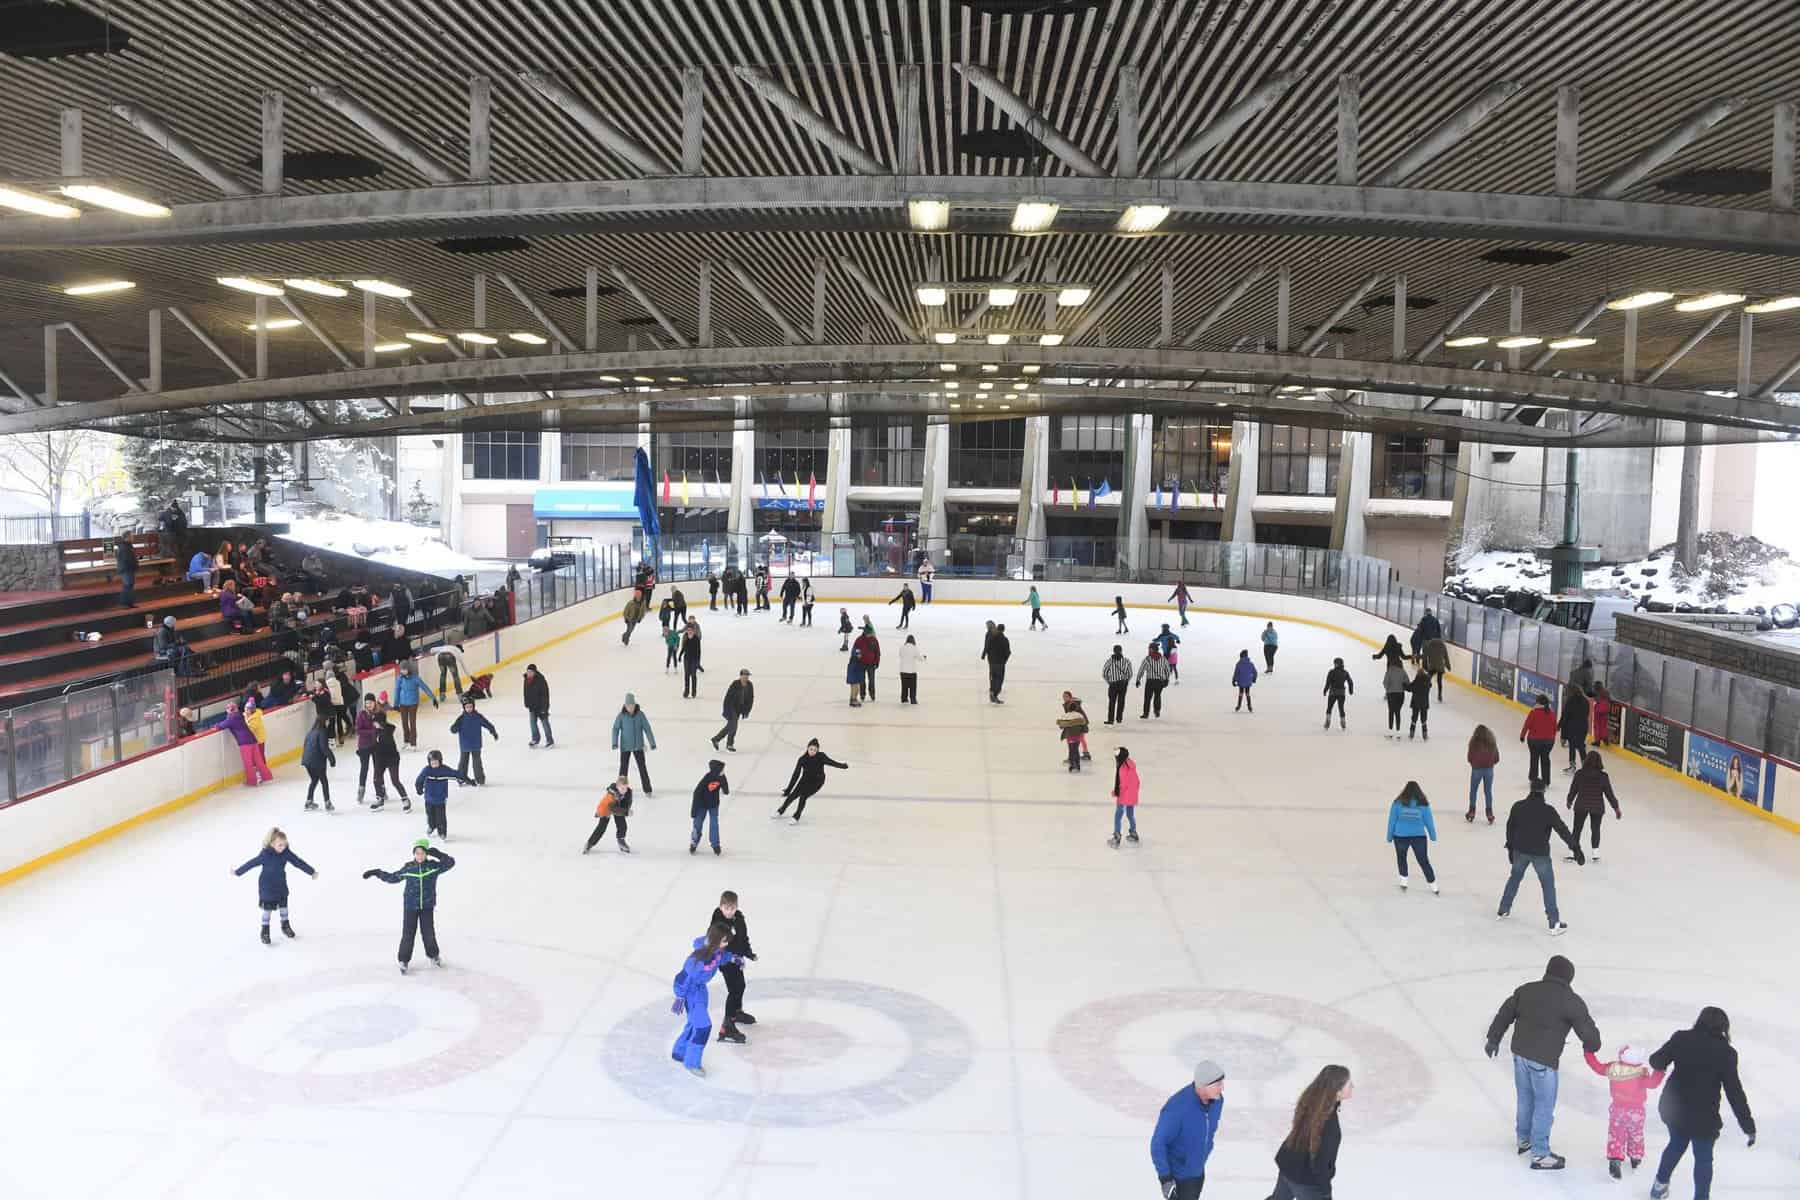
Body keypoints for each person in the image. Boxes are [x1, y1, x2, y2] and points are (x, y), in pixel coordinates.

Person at [1485, 954, 1602, 1170]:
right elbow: (1588, 1031)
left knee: (1525, 1098)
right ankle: (1539, 1153)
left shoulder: (1526, 990)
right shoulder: (1571, 1001)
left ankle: (1523, 1140)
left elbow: (1505, 1013)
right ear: (1569, 978)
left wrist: (1493, 1039)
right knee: (1543, 1107)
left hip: (1519, 1054)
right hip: (1543, 1061)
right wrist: (1592, 1045)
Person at [1647, 1007, 1757, 1200]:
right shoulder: (1727, 1053)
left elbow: (1656, 1061)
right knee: (1704, 1158)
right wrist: (1748, 1125)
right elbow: (1734, 1092)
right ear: (1723, 1027)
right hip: (1703, 1116)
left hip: (1674, 1109)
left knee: (1676, 1144)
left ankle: (1659, 1187)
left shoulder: (1681, 1038)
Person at [362, 838, 455, 973]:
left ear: (426, 854)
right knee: (408, 934)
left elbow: (450, 863)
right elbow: (393, 878)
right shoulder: (409, 867)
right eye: (417, 853)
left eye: (422, 853)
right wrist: (377, 873)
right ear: (414, 854)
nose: (419, 856)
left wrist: (438, 854)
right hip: (410, 907)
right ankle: (403, 960)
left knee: (428, 933)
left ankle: (434, 956)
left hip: (426, 907)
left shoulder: (433, 867)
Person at [1499, 788, 1585, 934]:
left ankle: (1503, 909)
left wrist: (1510, 847)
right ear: (1543, 792)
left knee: (1514, 878)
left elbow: (1510, 828)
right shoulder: (1548, 811)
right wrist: (1575, 848)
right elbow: (1562, 830)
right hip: (1540, 854)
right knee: (1548, 885)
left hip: (1520, 851)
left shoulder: (1518, 806)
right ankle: (1554, 922)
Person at [1267, 1065, 1351, 1200]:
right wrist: (1324, 1190)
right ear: (1337, 1091)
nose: (1352, 1086)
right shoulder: (1330, 1125)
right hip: (1305, 1180)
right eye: (1349, 1084)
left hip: (1288, 1165)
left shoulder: (1312, 1103)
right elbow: (1321, 1162)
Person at [1584, 1044, 1666, 1181]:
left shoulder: (1613, 1069)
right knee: (1636, 1134)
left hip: (1617, 1110)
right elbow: (1653, 1084)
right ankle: (1635, 1157)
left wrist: (1588, 1054)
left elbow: (1596, 1067)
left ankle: (1615, 1159)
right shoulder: (1640, 1073)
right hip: (1636, 1112)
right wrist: (1660, 1071)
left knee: (1616, 1135)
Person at [670, 919, 740, 1077]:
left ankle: (679, 1051)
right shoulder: (697, 959)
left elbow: (720, 957)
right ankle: (692, 1062)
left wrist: (732, 958)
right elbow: (683, 978)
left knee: (693, 1023)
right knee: (703, 1027)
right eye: (724, 941)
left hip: (700, 991)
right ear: (715, 940)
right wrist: (680, 996)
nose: (726, 944)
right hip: (690, 994)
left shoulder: (716, 950)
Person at [1151, 1059, 1226, 1200]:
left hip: (1197, 1170)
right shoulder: (1176, 1109)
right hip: (1178, 1177)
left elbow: (1210, 1130)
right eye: (1218, 1084)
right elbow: (1158, 1144)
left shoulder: (1217, 1101)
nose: (1222, 1088)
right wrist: (1165, 1179)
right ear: (1203, 1085)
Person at [232, 827, 317, 944]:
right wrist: (238, 872)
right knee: (267, 910)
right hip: (267, 886)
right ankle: (265, 931)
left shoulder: (286, 852)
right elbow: (251, 863)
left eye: (284, 844)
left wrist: (311, 871)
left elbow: (298, 862)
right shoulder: (265, 854)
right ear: (272, 844)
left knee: (284, 907)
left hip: (281, 884)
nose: (283, 847)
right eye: (280, 845)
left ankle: (285, 926)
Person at [712, 891, 757, 1042]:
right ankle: (727, 1027)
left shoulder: (738, 918)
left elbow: (743, 938)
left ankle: (736, 1012)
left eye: (732, 908)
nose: (729, 911)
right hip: (726, 961)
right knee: (735, 989)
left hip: (738, 959)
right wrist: (731, 958)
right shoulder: (718, 922)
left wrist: (748, 953)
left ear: (736, 907)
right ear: (721, 906)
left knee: (741, 985)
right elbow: (714, 943)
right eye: (726, 908)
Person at [1565, 750, 1621, 862]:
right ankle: (1595, 854)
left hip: (1581, 805)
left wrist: (1569, 801)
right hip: (1597, 806)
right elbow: (1609, 794)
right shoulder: (1603, 776)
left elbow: (1573, 789)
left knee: (1577, 829)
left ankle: (1572, 852)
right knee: (1595, 829)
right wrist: (1616, 808)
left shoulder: (1579, 774)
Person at [774, 738, 848, 822]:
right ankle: (781, 810)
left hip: (817, 782)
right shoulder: (802, 759)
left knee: (803, 796)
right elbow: (795, 775)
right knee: (792, 796)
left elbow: (832, 763)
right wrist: (788, 789)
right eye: (811, 749)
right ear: (807, 748)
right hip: (805, 779)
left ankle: (796, 816)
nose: (812, 751)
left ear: (817, 750)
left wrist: (842, 766)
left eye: (815, 750)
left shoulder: (821, 756)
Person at [1386, 780, 1439, 893]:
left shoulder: (1397, 803)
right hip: (1418, 836)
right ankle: (1434, 886)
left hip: (1400, 836)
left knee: (1401, 858)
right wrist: (1433, 835)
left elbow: (1392, 821)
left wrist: (1389, 836)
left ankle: (1404, 882)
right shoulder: (1423, 804)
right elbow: (1429, 821)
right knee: (1424, 861)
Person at [415, 749, 471, 840]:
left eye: (436, 762)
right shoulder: (427, 770)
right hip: (429, 798)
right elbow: (419, 780)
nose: (434, 764)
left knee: (441, 817)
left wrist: (468, 779)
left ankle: (442, 832)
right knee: (430, 815)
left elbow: (456, 774)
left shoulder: (444, 770)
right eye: (432, 762)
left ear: (440, 761)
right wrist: (419, 789)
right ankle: (431, 826)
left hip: (440, 799)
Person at [611, 692, 656, 793]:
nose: (630, 708)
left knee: (642, 768)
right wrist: (614, 742)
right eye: (628, 706)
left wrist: (652, 743)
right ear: (625, 706)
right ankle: (620, 790)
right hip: (625, 747)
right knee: (623, 771)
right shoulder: (621, 716)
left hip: (638, 746)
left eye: (631, 705)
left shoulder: (640, 715)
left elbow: (647, 728)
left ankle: (647, 789)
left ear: (634, 705)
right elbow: (615, 729)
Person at [368, 712, 410, 813]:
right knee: (376, 779)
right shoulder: (377, 731)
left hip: (392, 759)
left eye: (376, 722)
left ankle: (405, 799)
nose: (374, 724)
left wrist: (366, 750)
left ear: (381, 722)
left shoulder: (386, 733)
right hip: (380, 759)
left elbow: (380, 747)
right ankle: (380, 800)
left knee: (395, 780)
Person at [450, 698, 498, 786]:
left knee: (477, 763)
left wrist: (493, 732)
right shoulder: (461, 718)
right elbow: (453, 728)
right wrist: (454, 729)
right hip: (465, 745)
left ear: (473, 706)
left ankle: (480, 779)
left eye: (470, 707)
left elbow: (487, 724)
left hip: (476, 744)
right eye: (467, 707)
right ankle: (461, 778)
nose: (469, 709)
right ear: (464, 708)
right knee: (463, 762)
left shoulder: (478, 716)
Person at [393, 660, 437, 748]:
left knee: (412, 723)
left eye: (404, 669)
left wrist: (433, 698)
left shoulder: (415, 678)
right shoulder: (400, 679)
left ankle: (413, 743)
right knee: (404, 723)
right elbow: (397, 691)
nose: (403, 671)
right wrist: (396, 704)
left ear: (408, 669)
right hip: (402, 704)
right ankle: (406, 741)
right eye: (401, 669)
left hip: (413, 703)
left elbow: (425, 687)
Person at [584, 775, 633, 854]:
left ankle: (621, 840)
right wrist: (626, 812)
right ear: (617, 786)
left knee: (622, 825)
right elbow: (613, 809)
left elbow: (627, 803)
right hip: (606, 810)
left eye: (626, 788)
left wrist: (626, 809)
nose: (624, 790)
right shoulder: (611, 796)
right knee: (601, 827)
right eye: (622, 788)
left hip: (618, 808)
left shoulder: (628, 792)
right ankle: (590, 843)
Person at [690, 759, 729, 855]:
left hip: (713, 804)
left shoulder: (722, 777)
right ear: (716, 770)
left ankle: (715, 844)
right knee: (697, 823)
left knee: (714, 823)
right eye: (722, 770)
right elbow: (696, 793)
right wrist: (694, 811)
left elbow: (726, 789)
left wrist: (725, 789)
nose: (723, 772)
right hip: (701, 804)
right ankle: (694, 842)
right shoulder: (706, 779)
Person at [1520, 694, 1558, 787]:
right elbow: (1555, 728)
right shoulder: (1552, 713)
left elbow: (1527, 725)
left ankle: (1533, 778)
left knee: (1534, 758)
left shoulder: (1534, 712)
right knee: (1545, 759)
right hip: (1548, 741)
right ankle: (1546, 780)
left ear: (1537, 702)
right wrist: (1552, 738)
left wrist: (1522, 736)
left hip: (1534, 740)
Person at [301, 715, 337, 813]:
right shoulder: (322, 732)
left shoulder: (310, 732)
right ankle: (327, 803)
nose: (328, 723)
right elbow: (324, 748)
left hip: (307, 761)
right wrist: (332, 759)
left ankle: (309, 801)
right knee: (324, 781)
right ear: (324, 722)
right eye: (327, 721)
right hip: (316, 760)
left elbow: (305, 746)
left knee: (314, 780)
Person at [712, 669, 754, 752]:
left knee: (730, 726)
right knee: (733, 726)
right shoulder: (735, 684)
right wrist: (726, 710)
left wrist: (747, 711)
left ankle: (716, 739)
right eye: (744, 675)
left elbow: (750, 699)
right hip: (730, 707)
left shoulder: (749, 685)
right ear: (741, 676)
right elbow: (728, 697)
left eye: (747, 675)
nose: (746, 677)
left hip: (739, 709)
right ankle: (729, 744)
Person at [1467, 724, 1500, 824]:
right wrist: (1490, 764)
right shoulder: (1492, 743)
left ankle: (1472, 811)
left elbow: (1469, 757)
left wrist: (1474, 764)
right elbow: (1497, 758)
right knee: (1488, 791)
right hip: (1489, 770)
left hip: (1477, 769)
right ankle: (1489, 812)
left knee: (1473, 791)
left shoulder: (1473, 743)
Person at [1108, 746, 1139, 848]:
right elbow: (1137, 781)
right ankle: (1133, 833)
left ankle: (1116, 837)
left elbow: (1123, 785)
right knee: (1130, 815)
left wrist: (1115, 792)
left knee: (1118, 816)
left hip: (1124, 796)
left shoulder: (1122, 769)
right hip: (1133, 794)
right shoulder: (1131, 764)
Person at [1560, 683, 1590, 773]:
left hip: (1572, 728)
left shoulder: (1570, 701)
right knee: (1581, 746)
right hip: (1583, 727)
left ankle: (1572, 766)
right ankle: (1585, 766)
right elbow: (1586, 714)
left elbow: (1565, 716)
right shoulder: (1585, 701)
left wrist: (1561, 730)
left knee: (1572, 747)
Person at [242, 697, 274, 785]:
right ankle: (262, 773)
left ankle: (262, 774)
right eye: (245, 708)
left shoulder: (254, 719)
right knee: (258, 758)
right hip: (257, 740)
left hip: (259, 740)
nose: (245, 711)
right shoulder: (252, 716)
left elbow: (250, 729)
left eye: (246, 709)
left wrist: (245, 719)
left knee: (259, 758)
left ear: (251, 710)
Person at [522, 663, 553, 748]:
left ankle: (550, 740)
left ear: (535, 672)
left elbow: (545, 695)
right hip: (532, 706)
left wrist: (545, 708)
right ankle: (535, 739)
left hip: (541, 706)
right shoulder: (526, 679)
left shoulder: (541, 680)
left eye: (531, 672)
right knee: (532, 724)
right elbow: (525, 692)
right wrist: (526, 702)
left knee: (545, 724)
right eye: (528, 671)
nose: (529, 673)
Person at [1137, 642, 1172, 719]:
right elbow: (1167, 670)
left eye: (1149, 648)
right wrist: (1167, 679)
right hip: (1160, 681)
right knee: (1157, 696)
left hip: (1150, 681)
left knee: (1147, 698)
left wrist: (1138, 679)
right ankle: (1157, 711)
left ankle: (1146, 714)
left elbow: (1141, 670)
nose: (1148, 650)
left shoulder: (1147, 659)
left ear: (1152, 649)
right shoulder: (1163, 659)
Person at [1059, 690, 1091, 772]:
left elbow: (1077, 715)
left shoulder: (1072, 704)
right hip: (1076, 724)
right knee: (1079, 740)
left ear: (1070, 697)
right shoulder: (1068, 704)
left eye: (1066, 696)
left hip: (1078, 724)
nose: (1064, 698)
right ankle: (1083, 754)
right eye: (1063, 696)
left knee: (1080, 739)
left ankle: (1083, 754)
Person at [1102, 644, 1132, 724]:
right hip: (1123, 683)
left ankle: (1110, 719)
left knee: (1112, 702)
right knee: (1121, 701)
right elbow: (1130, 673)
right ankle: (1119, 718)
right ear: (1121, 651)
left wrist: (1109, 681)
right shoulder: (1126, 661)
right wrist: (1126, 681)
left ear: (1114, 651)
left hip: (1113, 684)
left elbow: (1104, 673)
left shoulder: (1110, 661)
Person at [1322, 657, 1353, 730]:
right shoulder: (1345, 672)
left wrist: (1325, 690)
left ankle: (1327, 722)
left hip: (1333, 692)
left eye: (1335, 663)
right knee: (1341, 708)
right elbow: (1350, 682)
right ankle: (1343, 723)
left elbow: (1328, 683)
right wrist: (1350, 690)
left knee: (1329, 708)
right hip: (1341, 693)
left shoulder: (1331, 672)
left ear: (1336, 664)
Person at [984, 622, 1011, 703]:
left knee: (993, 677)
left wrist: (985, 655)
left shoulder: (991, 637)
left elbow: (987, 646)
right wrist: (1004, 661)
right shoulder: (1004, 639)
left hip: (992, 661)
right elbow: (1008, 652)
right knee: (999, 679)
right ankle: (995, 694)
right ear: (1003, 630)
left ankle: (992, 691)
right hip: (1000, 663)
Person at [1405, 665, 1434, 740]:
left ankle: (1412, 733)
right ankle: (1425, 734)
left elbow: (1410, 688)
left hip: (1416, 703)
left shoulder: (1417, 681)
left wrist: (1404, 685)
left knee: (1414, 718)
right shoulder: (1427, 682)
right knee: (1424, 719)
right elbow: (1430, 685)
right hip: (1424, 703)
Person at [852, 626, 881, 700]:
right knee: (862, 680)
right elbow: (855, 649)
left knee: (871, 680)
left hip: (871, 664)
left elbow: (877, 652)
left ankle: (872, 694)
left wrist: (877, 662)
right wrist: (858, 657)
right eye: (869, 633)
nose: (871, 634)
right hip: (861, 664)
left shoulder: (874, 640)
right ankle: (862, 694)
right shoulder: (859, 640)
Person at [680, 617, 704, 698]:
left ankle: (694, 691)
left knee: (693, 675)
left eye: (691, 630)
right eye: (688, 630)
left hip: (694, 659)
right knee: (686, 675)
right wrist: (680, 655)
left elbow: (699, 651)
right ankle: (686, 691)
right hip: (686, 659)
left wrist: (698, 661)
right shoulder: (686, 637)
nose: (689, 631)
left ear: (693, 631)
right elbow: (684, 647)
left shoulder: (696, 639)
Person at [1422, 636, 1450, 701]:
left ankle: (1425, 694)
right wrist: (1448, 666)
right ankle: (1439, 695)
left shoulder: (1429, 644)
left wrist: (1424, 665)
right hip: (1440, 665)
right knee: (1439, 680)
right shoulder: (1443, 645)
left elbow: (1425, 655)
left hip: (1432, 665)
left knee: (1428, 679)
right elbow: (1446, 656)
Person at [897, 634, 923, 704]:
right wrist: (924, 657)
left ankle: (904, 698)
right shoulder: (914, 648)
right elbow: (919, 657)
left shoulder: (902, 647)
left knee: (904, 686)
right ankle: (913, 699)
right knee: (912, 686)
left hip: (903, 670)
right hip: (912, 671)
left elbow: (900, 655)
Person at [115, 534, 138, 608]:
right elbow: (126, 559)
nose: (133, 538)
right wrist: (133, 565)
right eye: (131, 536)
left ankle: (129, 603)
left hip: (129, 569)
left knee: (130, 585)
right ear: (126, 538)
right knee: (127, 585)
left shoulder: (128, 546)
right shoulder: (124, 547)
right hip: (126, 569)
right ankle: (124, 603)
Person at [1232, 649, 1258, 713]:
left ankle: (1238, 705)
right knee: (1247, 693)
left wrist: (1234, 680)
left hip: (1240, 681)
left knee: (1241, 693)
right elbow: (1255, 672)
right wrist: (1254, 679)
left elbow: (1236, 673)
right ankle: (1249, 706)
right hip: (1248, 681)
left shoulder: (1238, 664)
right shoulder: (1250, 663)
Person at [1591, 682, 1614, 746]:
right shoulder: (1606, 691)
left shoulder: (1596, 692)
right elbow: (1610, 699)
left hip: (1598, 709)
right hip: (1606, 708)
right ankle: (1605, 738)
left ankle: (1597, 741)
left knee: (1597, 725)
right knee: (1603, 724)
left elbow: (1596, 699)